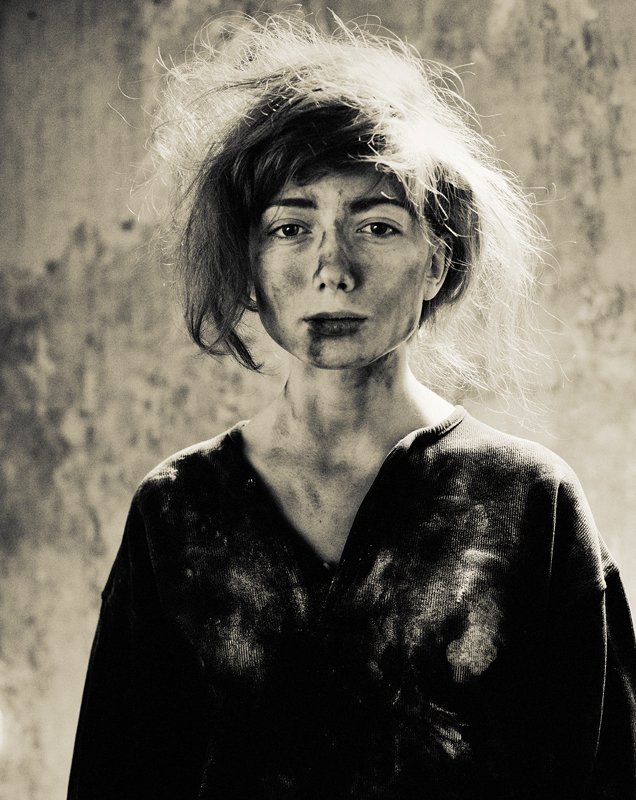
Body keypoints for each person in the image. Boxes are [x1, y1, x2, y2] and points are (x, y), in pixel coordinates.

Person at [67, 14, 636, 800]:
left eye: (375, 225)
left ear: (437, 262)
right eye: (291, 227)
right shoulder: (179, 511)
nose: (332, 268)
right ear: (248, 263)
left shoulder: (528, 504)